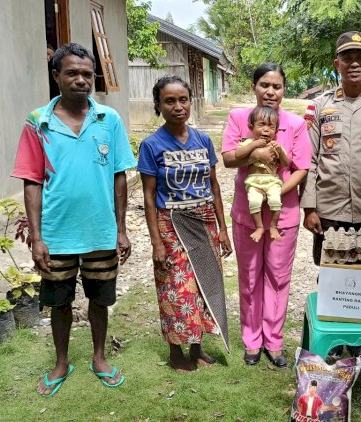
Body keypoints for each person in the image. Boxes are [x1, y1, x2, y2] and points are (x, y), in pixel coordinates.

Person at [11, 43, 136, 396]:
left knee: (100, 299)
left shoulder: (108, 119)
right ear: (56, 76)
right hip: (57, 233)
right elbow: (32, 181)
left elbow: (119, 176)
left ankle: (99, 358)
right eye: (72, 73)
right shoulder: (38, 122)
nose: (81, 80)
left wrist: (121, 229)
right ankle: (62, 362)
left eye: (86, 73)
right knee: (59, 301)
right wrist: (36, 237)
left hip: (100, 231)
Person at [299, 31, 361, 360]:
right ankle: (333, 338)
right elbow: (310, 160)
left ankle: (358, 340)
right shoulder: (321, 107)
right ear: (337, 64)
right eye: (347, 57)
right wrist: (309, 207)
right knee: (329, 271)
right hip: (329, 208)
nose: (354, 62)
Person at [137, 76, 232, 371]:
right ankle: (175, 351)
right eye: (170, 101)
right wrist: (156, 242)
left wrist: (223, 228)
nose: (178, 106)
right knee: (176, 290)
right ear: (159, 105)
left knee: (204, 285)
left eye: (183, 100)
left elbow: (214, 186)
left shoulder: (203, 141)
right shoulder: (152, 145)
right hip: (171, 224)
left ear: (190, 101)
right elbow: (149, 196)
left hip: (203, 222)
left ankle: (197, 348)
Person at [222, 63, 312, 368]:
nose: (270, 92)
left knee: (277, 276)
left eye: (276, 86)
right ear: (254, 87)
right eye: (264, 85)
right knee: (249, 277)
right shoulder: (238, 118)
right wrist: (254, 152)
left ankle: (273, 341)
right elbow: (228, 161)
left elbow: (300, 168)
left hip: (281, 213)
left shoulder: (296, 124)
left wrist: (276, 189)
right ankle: (252, 340)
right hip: (246, 213)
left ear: (284, 90)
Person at [235, 105, 290, 242]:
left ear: (276, 131)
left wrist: (281, 152)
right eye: (261, 125)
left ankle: (273, 225)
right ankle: (259, 227)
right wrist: (255, 145)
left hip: (272, 181)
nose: (266, 129)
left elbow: (285, 163)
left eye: (271, 127)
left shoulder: (275, 145)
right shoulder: (249, 143)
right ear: (251, 127)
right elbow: (238, 154)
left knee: (276, 201)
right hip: (254, 181)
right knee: (254, 201)